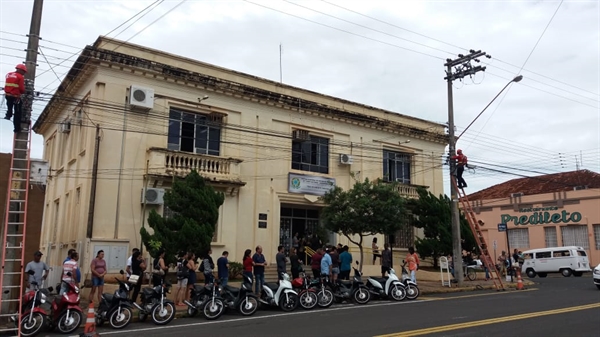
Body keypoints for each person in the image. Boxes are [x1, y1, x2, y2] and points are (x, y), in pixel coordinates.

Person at [3, 64, 27, 133]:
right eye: (24, 72)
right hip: (15, 97)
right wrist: (23, 91)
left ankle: (8, 115)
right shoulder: (20, 77)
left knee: (9, 107)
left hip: (8, 95)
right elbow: (21, 88)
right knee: (17, 112)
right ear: (20, 70)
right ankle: (16, 129)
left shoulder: (8, 74)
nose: (24, 73)